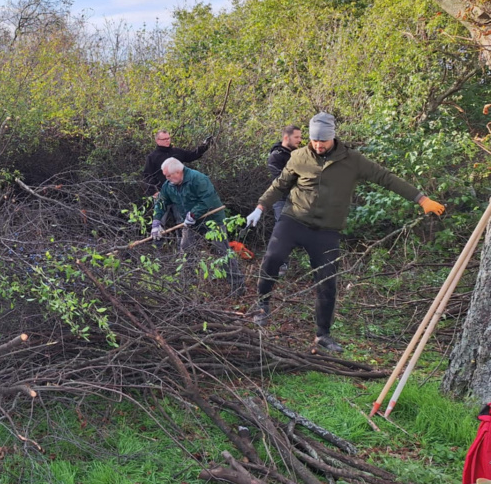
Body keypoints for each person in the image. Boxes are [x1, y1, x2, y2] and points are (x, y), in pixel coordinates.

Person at [245, 112, 445, 353]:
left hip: (326, 230)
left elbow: (386, 178)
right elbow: (280, 185)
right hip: (294, 219)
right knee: (273, 258)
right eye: (314, 140)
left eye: (323, 141)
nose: (318, 145)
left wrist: (421, 199)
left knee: (328, 281)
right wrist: (260, 206)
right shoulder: (298, 156)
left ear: (333, 137)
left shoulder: (353, 160)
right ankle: (262, 305)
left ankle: (323, 335)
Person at [151, 158, 245, 295]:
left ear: (178, 172)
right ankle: (188, 286)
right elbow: (162, 202)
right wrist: (156, 222)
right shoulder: (168, 185)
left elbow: (207, 199)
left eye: (168, 175)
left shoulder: (198, 179)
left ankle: (237, 287)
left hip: (212, 220)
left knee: (222, 251)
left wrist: (193, 215)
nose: (166, 178)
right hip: (189, 223)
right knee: (186, 249)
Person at [142, 130, 213, 194]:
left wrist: (205, 145)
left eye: (168, 138)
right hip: (164, 192)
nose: (167, 141)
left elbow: (192, 155)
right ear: (157, 141)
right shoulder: (152, 157)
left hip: (181, 190)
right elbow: (148, 176)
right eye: (164, 139)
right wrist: (154, 192)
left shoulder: (176, 152)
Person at [267, 125, 302, 221]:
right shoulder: (275, 157)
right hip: (282, 201)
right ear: (286, 138)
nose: (300, 140)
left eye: (300, 137)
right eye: (296, 137)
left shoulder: (298, 155)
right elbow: (282, 180)